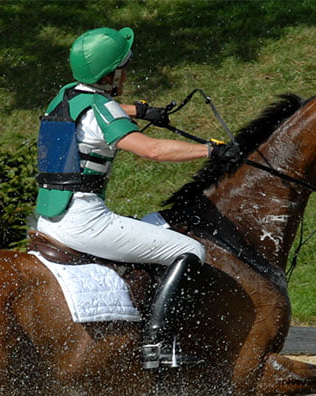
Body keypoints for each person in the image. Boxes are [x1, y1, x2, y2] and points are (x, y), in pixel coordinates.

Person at [35, 27, 241, 370]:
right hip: (85, 222)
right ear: (112, 74)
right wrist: (211, 150)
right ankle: (157, 345)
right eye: (123, 68)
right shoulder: (104, 110)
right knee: (190, 250)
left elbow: (96, 106)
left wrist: (140, 111)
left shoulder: (65, 96)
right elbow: (153, 150)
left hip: (51, 218)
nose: (126, 74)